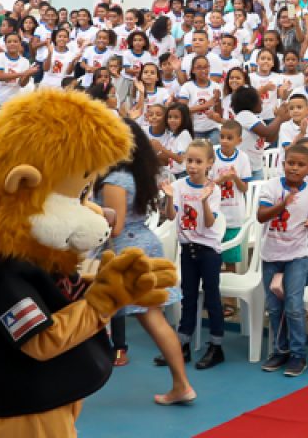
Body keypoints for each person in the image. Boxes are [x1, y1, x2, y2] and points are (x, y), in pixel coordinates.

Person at [100, 121, 194, 404]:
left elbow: (113, 228)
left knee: (89, 315)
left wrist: (87, 210)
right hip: (143, 245)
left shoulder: (115, 179)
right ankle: (181, 384)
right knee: (154, 318)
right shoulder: (139, 174)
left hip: (125, 254)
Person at [258, 143, 308, 376]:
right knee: (274, 308)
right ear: (283, 163)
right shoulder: (271, 186)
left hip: (296, 255)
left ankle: (298, 355)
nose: (294, 168)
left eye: (300, 165)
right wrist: (282, 204)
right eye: (290, 163)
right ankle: (280, 350)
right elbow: (260, 216)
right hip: (271, 254)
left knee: (294, 306)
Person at [170, 141, 226, 370]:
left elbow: (211, 222)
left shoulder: (214, 189)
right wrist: (166, 198)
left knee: (212, 297)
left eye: (198, 161)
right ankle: (182, 343)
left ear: (209, 164)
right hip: (188, 248)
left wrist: (203, 200)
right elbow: (169, 214)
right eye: (189, 161)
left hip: (209, 251)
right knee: (188, 296)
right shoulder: (179, 186)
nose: (193, 166)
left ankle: (216, 345)